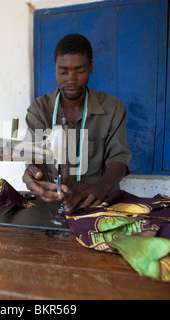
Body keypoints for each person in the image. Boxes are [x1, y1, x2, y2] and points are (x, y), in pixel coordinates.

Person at [22, 34, 132, 213]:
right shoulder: (39, 109)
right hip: (52, 202)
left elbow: (119, 157)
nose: (71, 80)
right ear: (55, 69)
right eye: (63, 72)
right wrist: (35, 174)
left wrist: (103, 185)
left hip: (99, 202)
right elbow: (35, 154)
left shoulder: (112, 108)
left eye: (79, 71)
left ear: (90, 68)